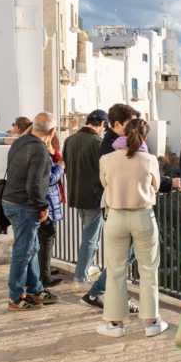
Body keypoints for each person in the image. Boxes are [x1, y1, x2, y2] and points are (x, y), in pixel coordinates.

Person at [96, 119, 168, 338]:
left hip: (116, 217)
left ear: (123, 133)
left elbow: (104, 184)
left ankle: (115, 324)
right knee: (148, 269)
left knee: (115, 270)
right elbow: (156, 186)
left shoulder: (106, 159)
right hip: (143, 216)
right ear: (144, 137)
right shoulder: (149, 159)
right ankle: (151, 322)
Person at [81, 104, 142, 312]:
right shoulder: (112, 147)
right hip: (120, 206)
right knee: (124, 255)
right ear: (117, 124)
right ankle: (101, 293)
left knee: (126, 255)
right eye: (130, 123)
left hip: (117, 205)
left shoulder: (111, 142)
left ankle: (101, 293)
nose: (133, 127)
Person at [1, 112, 61, 310]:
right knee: (23, 251)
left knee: (32, 247)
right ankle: (16, 296)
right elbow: (34, 184)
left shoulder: (20, 141)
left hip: (11, 200)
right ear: (52, 131)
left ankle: (35, 289)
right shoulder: (40, 150)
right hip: (24, 205)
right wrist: (42, 207)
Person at [63, 109, 108, 286]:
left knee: (90, 235)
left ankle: (85, 268)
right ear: (103, 124)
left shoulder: (69, 140)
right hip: (94, 197)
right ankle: (80, 278)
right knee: (91, 238)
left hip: (75, 195)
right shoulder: (98, 142)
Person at [37, 128, 64, 288]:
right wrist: (60, 167)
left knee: (40, 240)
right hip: (46, 201)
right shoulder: (43, 153)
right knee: (47, 238)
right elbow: (49, 179)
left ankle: (40, 273)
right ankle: (44, 277)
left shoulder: (25, 147)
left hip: (41, 200)